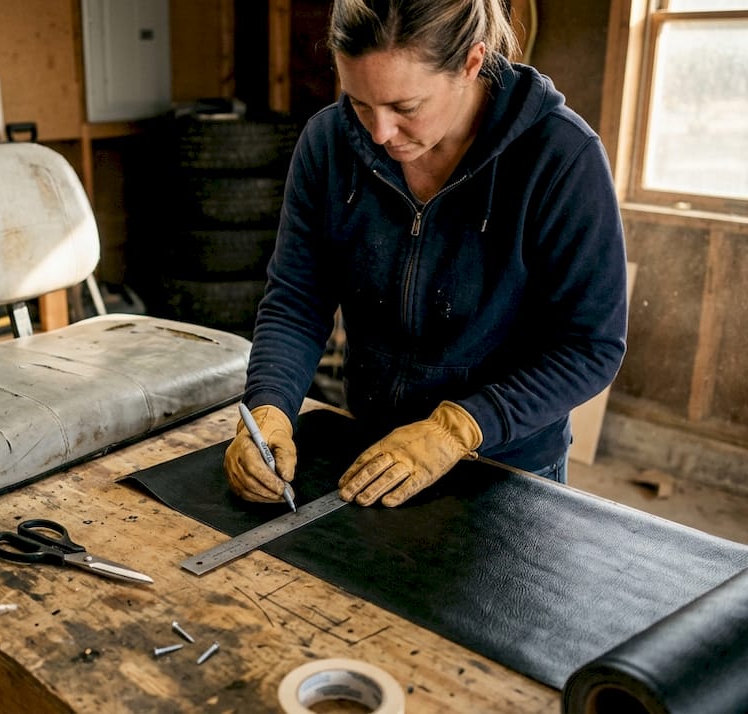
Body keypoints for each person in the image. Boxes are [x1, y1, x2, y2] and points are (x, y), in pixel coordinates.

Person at [224, 0, 628, 508]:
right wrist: (270, 407)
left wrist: (456, 428)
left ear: (471, 63)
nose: (379, 133)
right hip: (370, 447)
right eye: (359, 103)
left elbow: (590, 346)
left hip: (507, 465)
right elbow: (296, 302)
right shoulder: (328, 143)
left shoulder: (561, 157)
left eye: (406, 107)